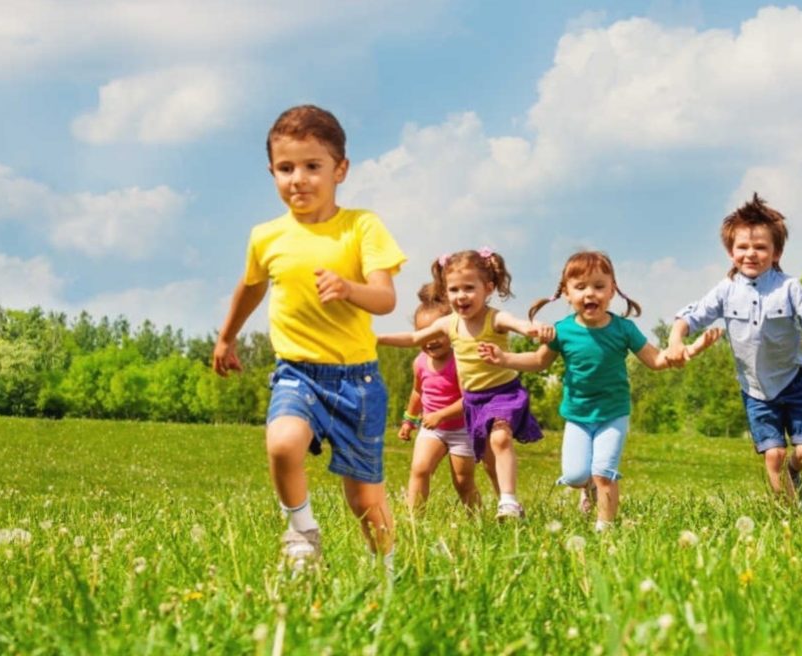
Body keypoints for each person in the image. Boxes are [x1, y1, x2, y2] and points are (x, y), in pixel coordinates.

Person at [212, 105, 403, 570]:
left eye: (312, 166)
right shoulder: (266, 236)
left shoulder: (362, 226)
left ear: (340, 170)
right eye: (285, 168)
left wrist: (348, 288)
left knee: (364, 498)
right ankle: (302, 532)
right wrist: (226, 338)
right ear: (272, 172)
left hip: (357, 382)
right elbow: (252, 285)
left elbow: (385, 299)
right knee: (282, 443)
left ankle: (389, 571)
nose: (298, 178)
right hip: (296, 372)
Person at [480, 251, 722, 531]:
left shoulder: (624, 329)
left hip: (613, 414)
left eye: (598, 286)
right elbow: (537, 361)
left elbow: (657, 360)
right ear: (567, 294)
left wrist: (692, 348)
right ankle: (587, 488)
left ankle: (604, 530)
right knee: (575, 475)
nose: (589, 293)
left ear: (612, 290)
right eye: (580, 287)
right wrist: (504, 358)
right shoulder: (563, 331)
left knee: (604, 473)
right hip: (578, 416)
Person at [664, 193, 802, 505]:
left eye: (760, 247)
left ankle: (794, 470)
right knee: (772, 454)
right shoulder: (725, 291)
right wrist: (676, 340)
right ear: (730, 252)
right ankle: (792, 514)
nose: (751, 254)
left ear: (776, 252)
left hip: (794, 381)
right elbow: (689, 316)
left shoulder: (789, 288)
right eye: (742, 247)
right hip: (756, 390)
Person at [379, 248, 549, 520]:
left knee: (496, 445)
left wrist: (535, 328)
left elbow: (519, 324)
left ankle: (507, 502)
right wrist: (375, 338)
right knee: (464, 466)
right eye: (454, 290)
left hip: (501, 395)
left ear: (488, 288)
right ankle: (419, 521)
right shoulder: (448, 323)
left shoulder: (495, 318)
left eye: (469, 288)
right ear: (445, 293)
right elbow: (413, 339)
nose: (461, 296)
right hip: (473, 402)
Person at [396, 284, 492, 511]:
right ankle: (414, 520)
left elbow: (470, 399)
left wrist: (440, 415)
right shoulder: (419, 362)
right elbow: (418, 391)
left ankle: (478, 521)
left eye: (437, 333)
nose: (431, 340)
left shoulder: (460, 361)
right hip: (433, 429)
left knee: (463, 481)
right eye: (424, 334)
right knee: (419, 469)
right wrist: (409, 419)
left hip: (462, 430)